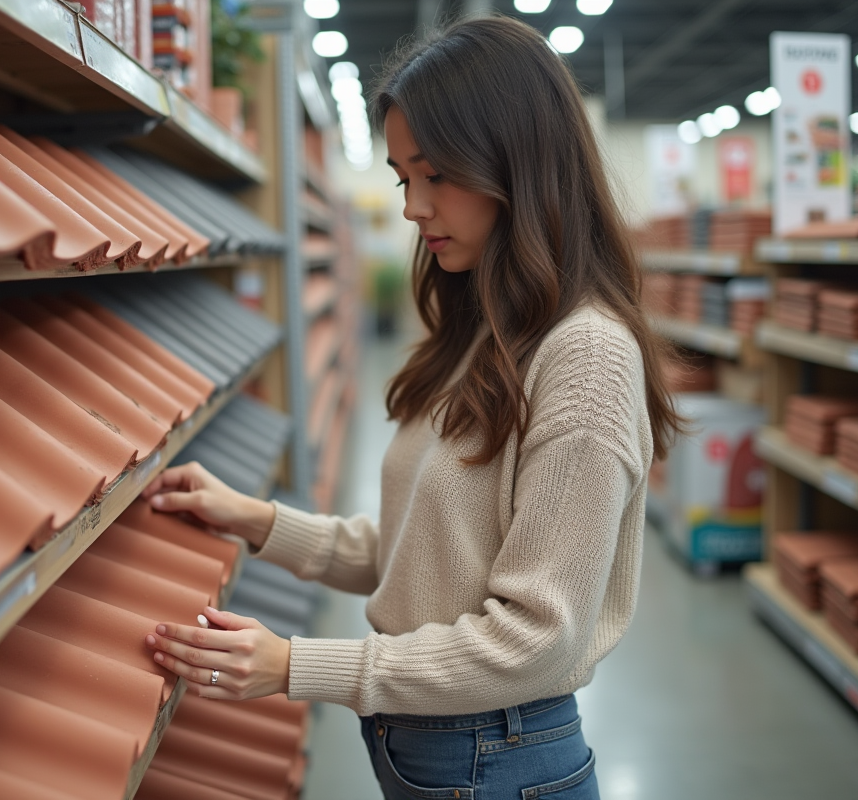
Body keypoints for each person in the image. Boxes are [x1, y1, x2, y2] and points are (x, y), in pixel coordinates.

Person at [141, 13, 683, 800]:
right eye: (403, 179)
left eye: (434, 175)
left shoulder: (587, 357)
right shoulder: (487, 332)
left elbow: (535, 637)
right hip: (442, 748)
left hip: (499, 758)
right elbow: (425, 555)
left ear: (514, 161)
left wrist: (299, 666)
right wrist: (256, 520)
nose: (411, 208)